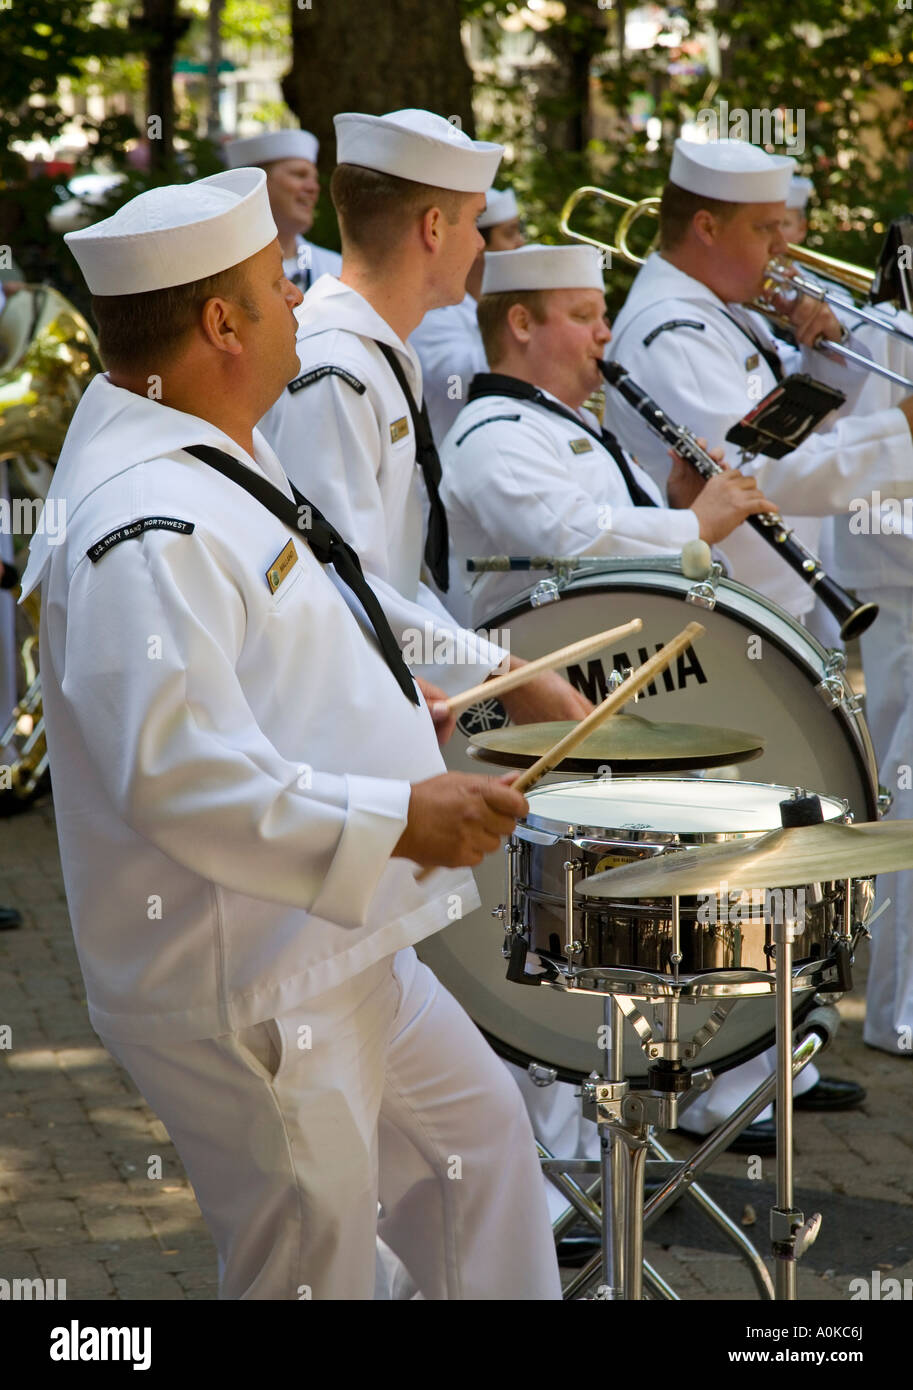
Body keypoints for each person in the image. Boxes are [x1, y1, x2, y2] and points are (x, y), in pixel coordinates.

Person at [19, 167, 561, 1300]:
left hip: (334, 938)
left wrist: (468, 679)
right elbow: (177, 774)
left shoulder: (206, 441)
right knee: (308, 1269)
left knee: (486, 1160)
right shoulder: (143, 519)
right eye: (281, 287)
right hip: (250, 980)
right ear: (223, 324)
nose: (303, 308)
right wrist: (398, 813)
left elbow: (320, 616)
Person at [604, 137, 913, 1141]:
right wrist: (901, 422)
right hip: (718, 622)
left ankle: (753, 1068)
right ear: (707, 227)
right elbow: (757, 467)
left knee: (763, 852)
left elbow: (781, 427)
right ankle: (716, 1084)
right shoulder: (668, 328)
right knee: (728, 856)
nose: (787, 248)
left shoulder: (713, 314)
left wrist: (820, 350)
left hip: (765, 617)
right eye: (768, 229)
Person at [259, 108, 589, 716]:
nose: (483, 243)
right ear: (434, 228)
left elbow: (396, 574)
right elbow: (338, 588)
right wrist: (507, 675)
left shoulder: (373, 349)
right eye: (476, 221)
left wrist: (489, 666)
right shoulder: (334, 367)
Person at [440, 241, 774, 628]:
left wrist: (680, 505)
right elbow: (569, 538)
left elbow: (616, 543)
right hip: (543, 672)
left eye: (604, 317)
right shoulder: (493, 435)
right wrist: (695, 525)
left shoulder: (569, 422)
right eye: (584, 317)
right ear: (522, 324)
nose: (605, 335)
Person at [410, 185, 525, 444]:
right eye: (510, 234)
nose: (521, 244)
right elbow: (460, 383)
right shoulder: (433, 315)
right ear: (480, 246)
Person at [224, 128, 341, 290]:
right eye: (300, 175)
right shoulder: (226, 269)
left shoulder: (334, 267)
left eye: (314, 179)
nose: (314, 188)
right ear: (259, 183)